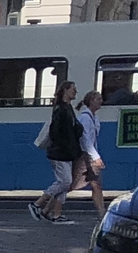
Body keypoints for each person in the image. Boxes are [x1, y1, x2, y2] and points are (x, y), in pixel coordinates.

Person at [31, 81, 83, 223]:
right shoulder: (61, 110)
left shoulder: (66, 108)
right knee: (65, 182)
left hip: (65, 152)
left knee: (65, 182)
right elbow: (58, 132)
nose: (76, 92)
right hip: (60, 153)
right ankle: (38, 203)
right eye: (73, 89)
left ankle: (56, 214)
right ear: (65, 90)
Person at [77, 91, 109, 220]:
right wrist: (96, 156)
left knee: (95, 184)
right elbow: (86, 139)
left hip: (89, 155)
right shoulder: (85, 118)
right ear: (91, 101)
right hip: (87, 156)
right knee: (95, 184)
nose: (101, 101)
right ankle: (46, 205)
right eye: (98, 99)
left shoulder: (92, 117)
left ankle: (102, 212)